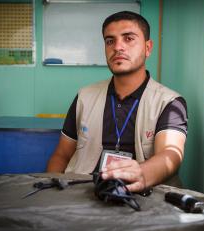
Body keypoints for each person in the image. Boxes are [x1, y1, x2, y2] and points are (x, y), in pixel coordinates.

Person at [47, 11, 187, 193]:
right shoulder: (84, 96)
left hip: (141, 197)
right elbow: (62, 154)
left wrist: (141, 173)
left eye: (128, 38)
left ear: (148, 48)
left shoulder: (169, 102)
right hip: (81, 193)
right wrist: (51, 191)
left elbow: (171, 154)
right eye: (110, 41)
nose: (118, 47)